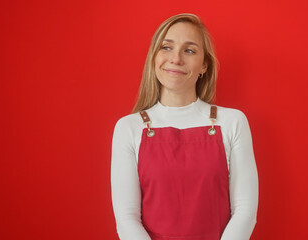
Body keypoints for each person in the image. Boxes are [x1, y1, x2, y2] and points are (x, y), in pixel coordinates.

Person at [111, 13, 259, 240]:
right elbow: (127, 217)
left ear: (204, 66)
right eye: (166, 48)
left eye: (189, 50)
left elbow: (245, 211)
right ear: (154, 58)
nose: (176, 59)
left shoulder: (232, 122)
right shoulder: (128, 128)